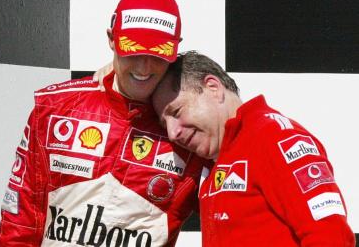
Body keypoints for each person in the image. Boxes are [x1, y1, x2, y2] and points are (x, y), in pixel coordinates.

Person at [0, 0, 207, 246]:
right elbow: (21, 218)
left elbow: (232, 213)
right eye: (134, 50)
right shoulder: (55, 107)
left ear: (175, 51)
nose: (144, 66)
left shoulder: (187, 129)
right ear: (111, 39)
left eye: (157, 54)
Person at [152, 51, 356, 246]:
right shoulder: (214, 157)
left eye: (176, 111)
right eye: (165, 124)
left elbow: (332, 237)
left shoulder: (276, 137)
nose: (172, 133)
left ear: (213, 87)